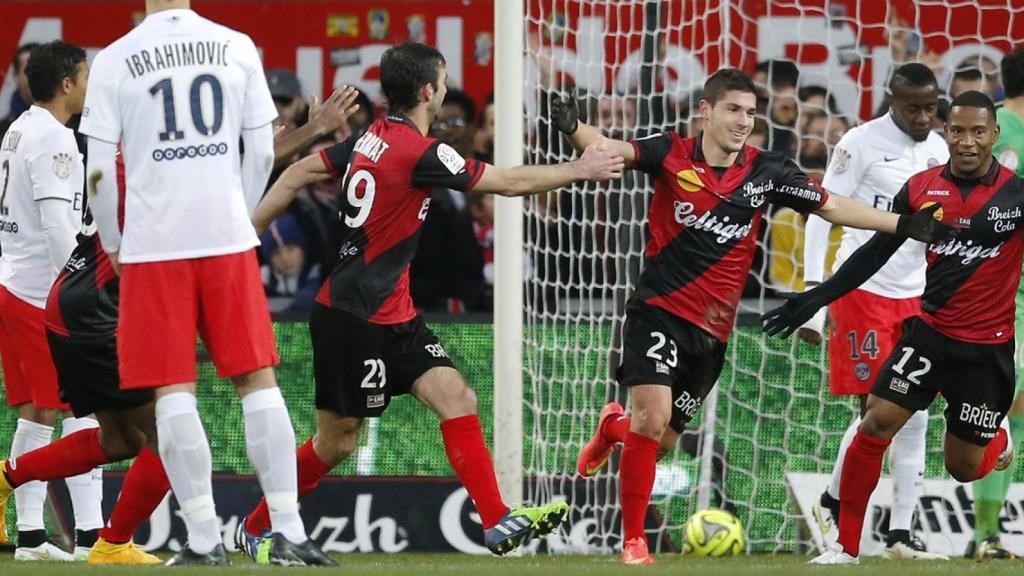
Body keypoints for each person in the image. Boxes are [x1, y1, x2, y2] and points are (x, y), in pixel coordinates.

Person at [234, 41, 624, 563]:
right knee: (338, 443)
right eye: (441, 81)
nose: (443, 89)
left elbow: (300, 171)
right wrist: (580, 170)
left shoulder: (375, 137)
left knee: (456, 397)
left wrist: (248, 231)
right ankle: (256, 528)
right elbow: (506, 183)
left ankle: (495, 519)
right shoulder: (420, 150)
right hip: (354, 316)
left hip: (394, 313)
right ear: (427, 91)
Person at [550, 67, 955, 566]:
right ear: (706, 111)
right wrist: (572, 128)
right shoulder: (670, 152)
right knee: (651, 420)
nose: (743, 121)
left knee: (661, 441)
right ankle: (634, 541)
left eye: (750, 113)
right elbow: (612, 147)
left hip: (713, 330)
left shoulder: (768, 172)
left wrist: (901, 223)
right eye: (734, 110)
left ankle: (612, 429)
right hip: (658, 310)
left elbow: (831, 207)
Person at [79, 0, 333, 565]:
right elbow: (263, 147)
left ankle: (201, 539)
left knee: (173, 390)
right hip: (225, 239)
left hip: (154, 246)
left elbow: (97, 170)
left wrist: (115, 241)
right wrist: (239, 218)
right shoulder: (237, 44)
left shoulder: (117, 58)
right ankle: (288, 529)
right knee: (257, 380)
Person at [763, 91, 1022, 565]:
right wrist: (816, 297)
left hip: (987, 351)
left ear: (993, 135)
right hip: (928, 335)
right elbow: (874, 252)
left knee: (963, 468)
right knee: (876, 421)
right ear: (947, 134)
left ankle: (997, 438)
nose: (967, 142)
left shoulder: (1017, 195)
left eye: (978, 132)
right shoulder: (922, 188)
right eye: (958, 131)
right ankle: (846, 546)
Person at [798, 63, 950, 560]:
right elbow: (824, 213)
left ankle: (901, 534)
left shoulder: (940, 149)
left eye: (931, 107)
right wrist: (813, 291)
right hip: (863, 290)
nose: (924, 116)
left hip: (918, 294)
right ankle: (840, 512)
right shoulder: (858, 143)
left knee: (916, 413)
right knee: (876, 410)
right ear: (892, 99)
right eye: (914, 107)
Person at [0, 41, 99, 561]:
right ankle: (93, 538)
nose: (89, 84)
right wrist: (82, 291)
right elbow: (60, 225)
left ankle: (32, 537)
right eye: (85, 75)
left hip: (16, 282)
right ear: (67, 84)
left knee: (37, 415)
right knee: (86, 409)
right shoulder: (58, 141)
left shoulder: (19, 128)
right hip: (43, 293)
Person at [964, 44, 1024, 560]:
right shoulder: (996, 128)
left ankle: (989, 532)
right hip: (1007, 292)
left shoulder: (989, 124)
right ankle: (987, 533)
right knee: (1009, 404)